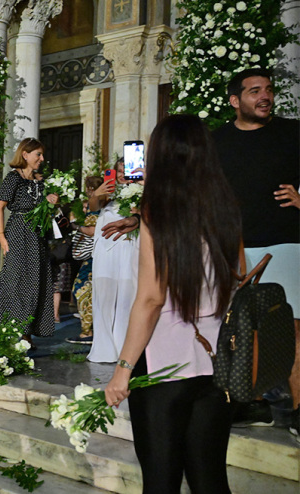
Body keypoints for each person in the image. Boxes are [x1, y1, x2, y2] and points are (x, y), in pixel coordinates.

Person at [105, 114, 242, 493]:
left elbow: (151, 298)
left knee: (161, 481)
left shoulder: (157, 210)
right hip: (217, 362)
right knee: (210, 479)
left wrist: (122, 370)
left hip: (166, 364)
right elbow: (238, 278)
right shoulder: (227, 208)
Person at [212, 68, 300, 432]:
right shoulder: (216, 141)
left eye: (268, 90)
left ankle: (296, 409)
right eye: (254, 91)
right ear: (235, 100)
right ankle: (256, 403)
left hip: (286, 242)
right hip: (234, 247)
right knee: (242, 329)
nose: (264, 96)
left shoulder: (293, 132)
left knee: (290, 328)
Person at [0, 138, 59, 347]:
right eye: (38, 154)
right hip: (18, 232)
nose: (42, 159)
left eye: (42, 154)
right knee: (15, 280)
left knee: (35, 280)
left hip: (37, 235)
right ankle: (12, 328)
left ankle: (27, 333)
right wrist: (2, 236)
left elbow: (44, 210)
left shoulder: (41, 180)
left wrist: (51, 202)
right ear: (25, 155)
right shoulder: (13, 178)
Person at [87, 158, 139, 364]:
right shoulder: (108, 191)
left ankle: (123, 349)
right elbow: (92, 208)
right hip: (106, 248)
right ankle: (103, 350)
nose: (122, 175)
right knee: (104, 296)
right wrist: (97, 194)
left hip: (130, 246)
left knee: (127, 297)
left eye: (126, 171)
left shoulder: (142, 190)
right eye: (119, 171)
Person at [65, 176, 105, 345]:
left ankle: (87, 331)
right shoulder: (95, 206)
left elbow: (92, 230)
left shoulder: (99, 207)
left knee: (82, 290)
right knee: (86, 291)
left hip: (95, 258)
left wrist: (75, 225)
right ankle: (88, 329)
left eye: (90, 188)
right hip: (91, 257)